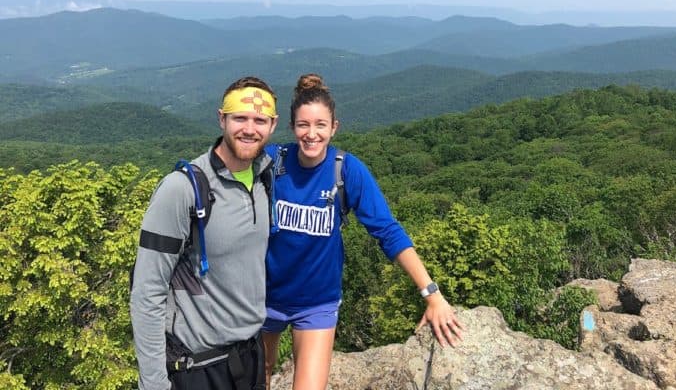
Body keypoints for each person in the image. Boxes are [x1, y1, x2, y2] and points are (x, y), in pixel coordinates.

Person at [262, 74, 464, 390]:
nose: (311, 134)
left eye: (320, 125)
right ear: (291, 127)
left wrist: (432, 294)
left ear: (334, 127)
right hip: (262, 297)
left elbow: (387, 231)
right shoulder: (273, 162)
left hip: (316, 303)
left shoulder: (346, 169)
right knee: (256, 378)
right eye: (303, 125)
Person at [130, 76, 280, 390]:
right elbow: (147, 292)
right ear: (221, 118)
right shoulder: (183, 189)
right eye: (239, 118)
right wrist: (154, 384)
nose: (249, 129)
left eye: (259, 120)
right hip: (197, 369)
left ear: (273, 125)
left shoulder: (267, 179)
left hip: (251, 359)